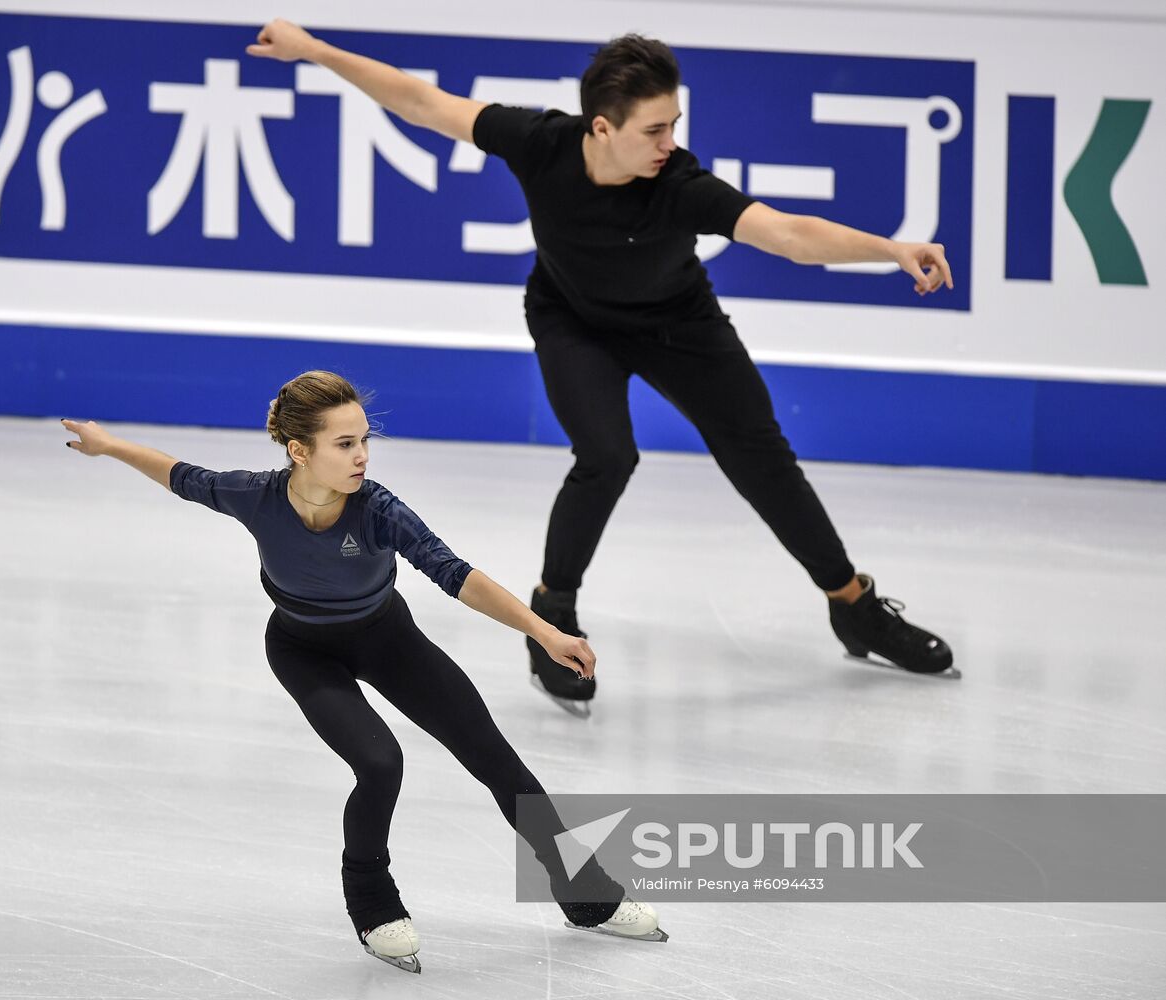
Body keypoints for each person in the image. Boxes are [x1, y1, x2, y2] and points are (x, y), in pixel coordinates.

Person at [247, 23, 957, 717]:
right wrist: (313, 50)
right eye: (653, 130)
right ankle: (551, 616)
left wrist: (888, 249)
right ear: (600, 128)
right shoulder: (541, 143)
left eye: (672, 124)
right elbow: (421, 102)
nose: (669, 142)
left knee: (760, 455)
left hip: (679, 323)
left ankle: (852, 605)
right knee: (606, 455)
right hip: (571, 319)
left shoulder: (679, 185)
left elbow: (788, 234)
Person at [60, 371, 666, 974]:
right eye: (344, 444)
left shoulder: (377, 509)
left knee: (497, 761)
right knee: (380, 763)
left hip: (387, 640)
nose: (361, 456)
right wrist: (108, 445)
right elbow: (180, 475)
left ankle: (586, 896)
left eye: (364, 440)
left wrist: (545, 631)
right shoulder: (256, 496)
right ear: (301, 451)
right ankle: (373, 902)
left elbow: (455, 573)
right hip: (304, 651)